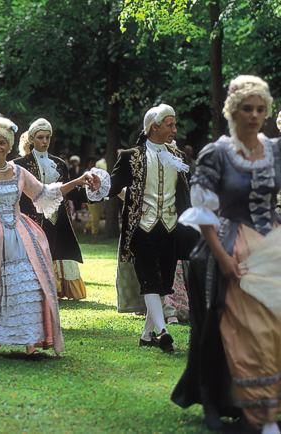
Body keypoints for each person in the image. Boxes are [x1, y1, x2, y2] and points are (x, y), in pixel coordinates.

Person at [172, 76, 281, 434]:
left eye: (260, 109)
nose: (254, 116)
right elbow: (203, 212)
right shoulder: (217, 153)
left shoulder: (276, 150)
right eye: (247, 109)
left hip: (273, 247)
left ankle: (266, 405)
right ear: (232, 112)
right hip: (231, 245)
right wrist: (221, 256)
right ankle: (247, 409)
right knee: (243, 330)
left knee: (274, 330)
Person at [0, 115, 103, 357]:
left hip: (21, 237)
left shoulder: (19, 172)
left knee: (29, 286)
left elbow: (46, 192)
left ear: (10, 146)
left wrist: (77, 180)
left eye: (2, 143)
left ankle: (31, 340)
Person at [108, 104, 196, 353]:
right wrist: (91, 186)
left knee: (162, 283)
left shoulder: (178, 156)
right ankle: (163, 332)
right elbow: (112, 187)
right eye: (170, 125)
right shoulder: (130, 156)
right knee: (149, 280)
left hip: (170, 227)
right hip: (141, 227)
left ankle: (147, 335)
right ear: (154, 127)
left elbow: (186, 192)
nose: (174, 129)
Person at [14, 118, 108, 300]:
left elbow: (70, 191)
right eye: (40, 137)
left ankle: (56, 289)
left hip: (57, 216)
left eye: (47, 137)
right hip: (31, 217)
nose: (44, 141)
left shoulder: (59, 164)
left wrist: (93, 192)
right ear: (32, 139)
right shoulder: (19, 164)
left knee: (56, 249)